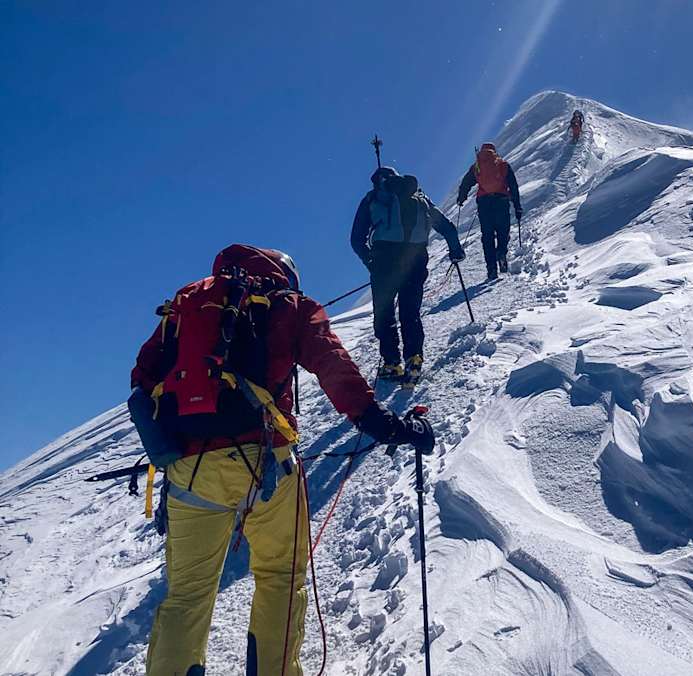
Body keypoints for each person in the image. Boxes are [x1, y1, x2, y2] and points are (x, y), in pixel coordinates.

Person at [132, 244, 432, 675]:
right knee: (281, 577)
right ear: (284, 274)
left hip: (189, 468)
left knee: (187, 596)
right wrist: (385, 425)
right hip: (267, 461)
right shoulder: (289, 305)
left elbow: (141, 379)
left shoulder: (188, 305)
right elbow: (334, 366)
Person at [352, 168, 466, 384]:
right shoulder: (418, 197)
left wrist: (370, 261)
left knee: (384, 313)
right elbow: (446, 227)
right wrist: (455, 250)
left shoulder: (373, 198)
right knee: (410, 311)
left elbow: (356, 238)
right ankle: (414, 358)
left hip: (384, 260)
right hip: (415, 258)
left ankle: (392, 363)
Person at [456, 143, 523, 280]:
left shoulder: (478, 166)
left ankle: (491, 269)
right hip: (501, 201)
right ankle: (501, 253)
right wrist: (517, 206)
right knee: (503, 231)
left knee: (487, 236)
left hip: (484, 204)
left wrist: (461, 197)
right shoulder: (502, 164)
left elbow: (466, 182)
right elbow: (513, 186)